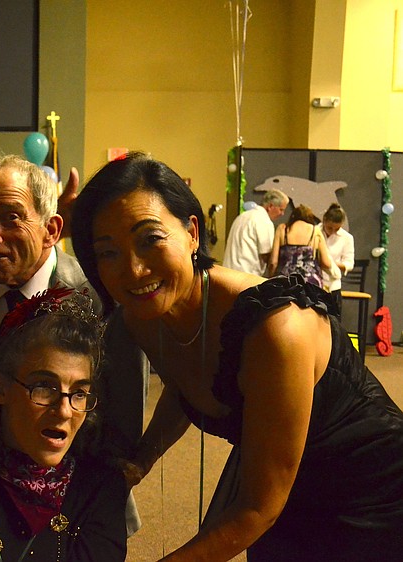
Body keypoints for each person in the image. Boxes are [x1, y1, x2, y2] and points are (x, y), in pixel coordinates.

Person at [71, 151, 403, 560]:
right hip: (281, 481)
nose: (134, 270)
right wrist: (142, 459)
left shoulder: (275, 328)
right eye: (108, 252)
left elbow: (258, 506)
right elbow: (186, 383)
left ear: (192, 232)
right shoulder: (145, 315)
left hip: (375, 491)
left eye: (149, 239)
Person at [0, 154, 147, 533]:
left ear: (51, 230)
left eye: (10, 217)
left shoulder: (102, 301)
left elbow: (120, 426)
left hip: (73, 506)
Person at [0, 288, 128, 561]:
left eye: (78, 393)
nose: (64, 411)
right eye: (44, 387)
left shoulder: (100, 488)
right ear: (0, 388)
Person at [222, 188, 289, 275]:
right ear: (271, 206)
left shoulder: (243, 216)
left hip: (228, 272)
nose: (282, 214)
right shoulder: (264, 221)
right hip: (245, 276)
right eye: (281, 209)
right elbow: (266, 254)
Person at [268, 204, 334, 288]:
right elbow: (327, 263)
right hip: (310, 282)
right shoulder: (315, 231)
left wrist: (271, 277)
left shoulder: (282, 229)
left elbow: (273, 262)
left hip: (285, 281)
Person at [321, 203, 355, 310]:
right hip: (314, 283)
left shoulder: (347, 238)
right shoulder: (314, 232)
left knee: (333, 322)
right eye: (329, 228)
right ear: (324, 220)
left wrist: (330, 263)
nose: (332, 232)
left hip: (332, 285)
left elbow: (349, 263)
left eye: (337, 229)